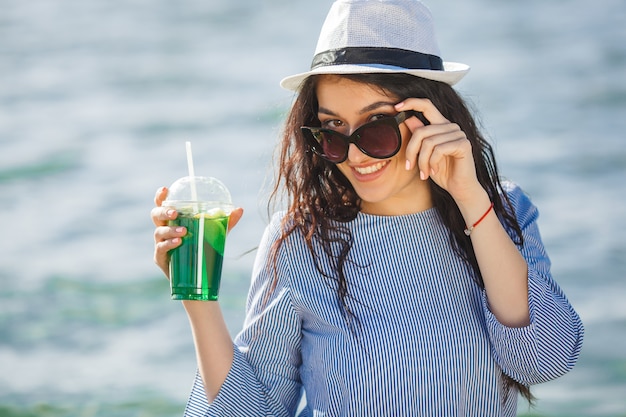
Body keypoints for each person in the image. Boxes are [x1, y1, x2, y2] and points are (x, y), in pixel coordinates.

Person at [151, 1, 584, 416]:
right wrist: (198, 298)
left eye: (376, 126)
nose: (355, 155)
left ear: (431, 115)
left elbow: (543, 360)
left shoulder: (501, 210)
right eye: (334, 129)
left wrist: (472, 201)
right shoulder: (300, 239)